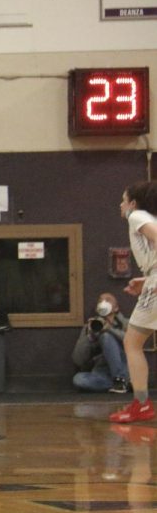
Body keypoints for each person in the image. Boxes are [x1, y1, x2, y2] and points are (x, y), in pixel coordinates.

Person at [110, 181, 157, 423]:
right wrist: (146, 278)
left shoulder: (136, 215)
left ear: (133, 204)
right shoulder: (147, 216)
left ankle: (141, 404)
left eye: (123, 199)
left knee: (132, 342)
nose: (120, 204)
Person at [72, 292, 129, 393]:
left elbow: (131, 341)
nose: (103, 302)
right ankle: (119, 385)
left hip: (124, 369)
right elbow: (78, 360)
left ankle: (120, 380)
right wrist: (89, 337)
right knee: (78, 379)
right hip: (102, 372)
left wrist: (110, 329)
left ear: (116, 308)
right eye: (100, 300)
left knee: (106, 336)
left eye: (108, 300)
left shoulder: (125, 323)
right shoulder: (91, 326)